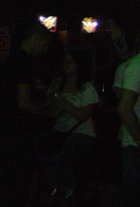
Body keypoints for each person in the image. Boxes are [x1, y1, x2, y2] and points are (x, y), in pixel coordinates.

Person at [0, 22, 52, 207]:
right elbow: (24, 103)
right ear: (36, 39)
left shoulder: (7, 60)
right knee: (19, 184)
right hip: (19, 134)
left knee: (6, 183)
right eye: (44, 45)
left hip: (3, 130)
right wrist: (45, 109)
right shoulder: (25, 63)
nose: (44, 50)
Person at [42, 50, 99, 197]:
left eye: (71, 61)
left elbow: (84, 116)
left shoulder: (86, 88)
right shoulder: (57, 84)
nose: (67, 64)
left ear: (78, 65)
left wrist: (66, 104)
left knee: (64, 149)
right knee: (42, 146)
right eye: (65, 61)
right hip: (59, 131)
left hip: (82, 134)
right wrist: (54, 101)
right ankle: (52, 183)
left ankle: (68, 185)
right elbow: (50, 112)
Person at [116, 22, 140, 207]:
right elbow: (124, 108)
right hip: (136, 148)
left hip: (138, 146)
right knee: (136, 203)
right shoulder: (138, 66)